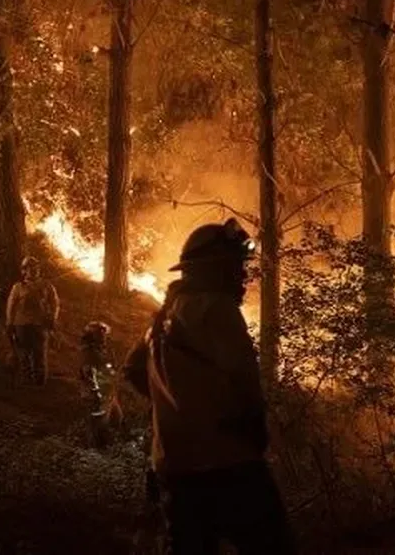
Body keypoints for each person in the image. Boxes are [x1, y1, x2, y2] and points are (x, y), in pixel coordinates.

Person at [122, 218, 295, 555]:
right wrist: (252, 431)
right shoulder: (217, 310)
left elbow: (132, 369)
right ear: (213, 269)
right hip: (228, 463)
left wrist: (175, 411)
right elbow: (245, 383)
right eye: (235, 267)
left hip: (174, 466)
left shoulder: (164, 313)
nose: (242, 276)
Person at [6, 256, 60, 386]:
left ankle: (39, 382)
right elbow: (11, 306)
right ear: (24, 271)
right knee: (24, 354)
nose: (33, 270)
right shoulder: (18, 287)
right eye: (30, 268)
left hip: (39, 325)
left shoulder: (47, 286)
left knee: (39, 354)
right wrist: (10, 323)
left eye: (35, 267)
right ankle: (26, 381)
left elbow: (55, 304)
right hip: (21, 325)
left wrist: (52, 319)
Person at [79, 321, 115, 448]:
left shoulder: (101, 350)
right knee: (95, 425)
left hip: (105, 392)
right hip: (95, 395)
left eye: (104, 333)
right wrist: (97, 392)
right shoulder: (89, 353)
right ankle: (94, 452)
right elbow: (88, 373)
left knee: (105, 423)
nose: (103, 336)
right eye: (100, 334)